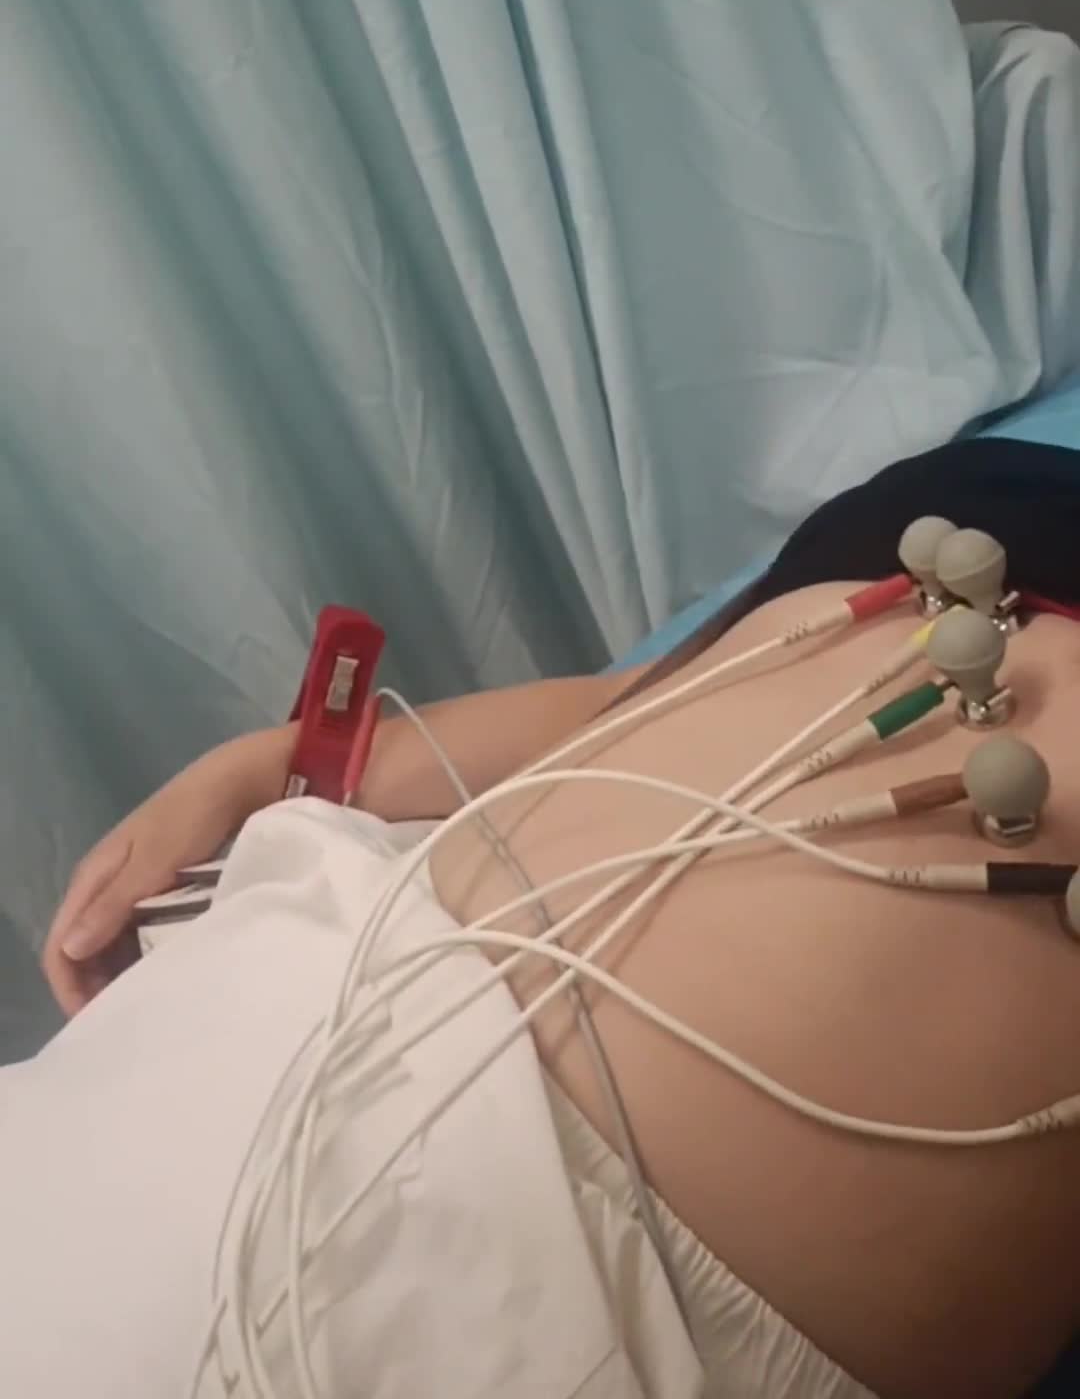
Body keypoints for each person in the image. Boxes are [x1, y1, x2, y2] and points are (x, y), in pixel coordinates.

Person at [23, 438, 1080, 1398]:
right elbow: (645, 703)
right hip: (293, 1011)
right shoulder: (993, 485)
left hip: (640, 1321)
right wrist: (283, 766)